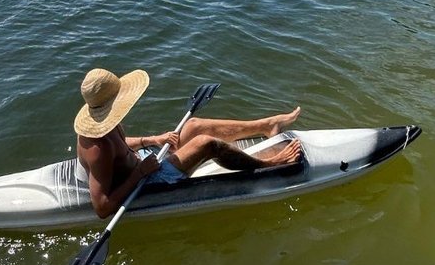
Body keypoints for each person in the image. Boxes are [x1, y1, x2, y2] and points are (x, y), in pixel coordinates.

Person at [74, 67, 303, 219]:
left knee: (193, 125)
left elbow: (121, 145)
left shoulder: (105, 123)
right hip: (145, 183)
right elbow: (102, 207)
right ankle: (270, 163)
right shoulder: (98, 148)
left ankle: (266, 125)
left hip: (144, 163)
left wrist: (151, 139)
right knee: (206, 143)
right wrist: (141, 173)